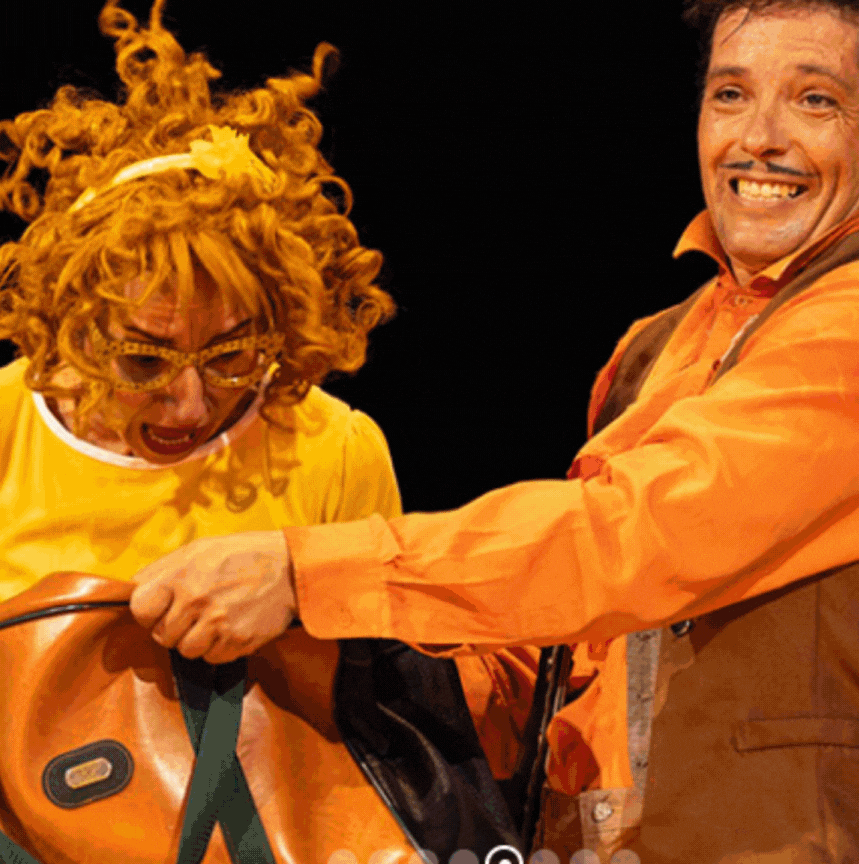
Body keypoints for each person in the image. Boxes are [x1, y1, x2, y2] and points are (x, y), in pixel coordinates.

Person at [132, 0, 859, 860]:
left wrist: (304, 573)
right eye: (730, 94)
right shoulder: (656, 345)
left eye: (816, 100)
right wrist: (338, 682)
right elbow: (579, 652)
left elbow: (631, 538)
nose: (759, 139)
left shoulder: (845, 333)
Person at [0, 0, 541, 859]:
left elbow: (384, 723)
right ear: (73, 323)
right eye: (142, 360)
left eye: (231, 357)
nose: (189, 404)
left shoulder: (332, 449)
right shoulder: (1, 429)